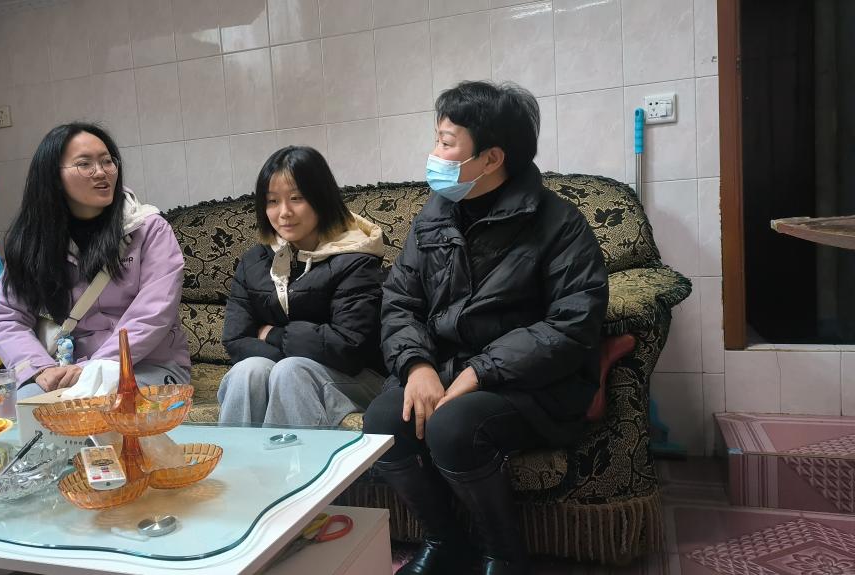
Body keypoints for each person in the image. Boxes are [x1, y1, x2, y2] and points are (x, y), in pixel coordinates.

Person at [362, 81, 609, 574]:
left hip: (533, 384)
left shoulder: (558, 223)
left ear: (492, 158)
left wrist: (481, 371)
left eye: (446, 142)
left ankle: (504, 555)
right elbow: (399, 302)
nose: (434, 155)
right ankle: (445, 542)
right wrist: (416, 365)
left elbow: (571, 325)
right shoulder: (432, 218)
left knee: (455, 426)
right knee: (384, 421)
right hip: (448, 369)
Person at [0, 123, 190, 398]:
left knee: (99, 402)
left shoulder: (149, 229)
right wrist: (39, 368)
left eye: (107, 161)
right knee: (24, 405)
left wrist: (95, 368)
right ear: (52, 176)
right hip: (65, 368)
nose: (102, 172)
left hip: (144, 366)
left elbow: (154, 312)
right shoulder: (33, 241)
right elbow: (6, 317)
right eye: (85, 164)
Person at [218, 146, 385, 427]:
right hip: (288, 367)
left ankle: (299, 458)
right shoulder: (254, 261)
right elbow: (236, 339)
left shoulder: (355, 257)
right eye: (272, 201)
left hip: (357, 377)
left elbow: (348, 347)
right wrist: (288, 350)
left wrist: (273, 334)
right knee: (248, 372)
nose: (284, 212)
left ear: (321, 197)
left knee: (291, 371)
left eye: (297, 198)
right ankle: (235, 457)